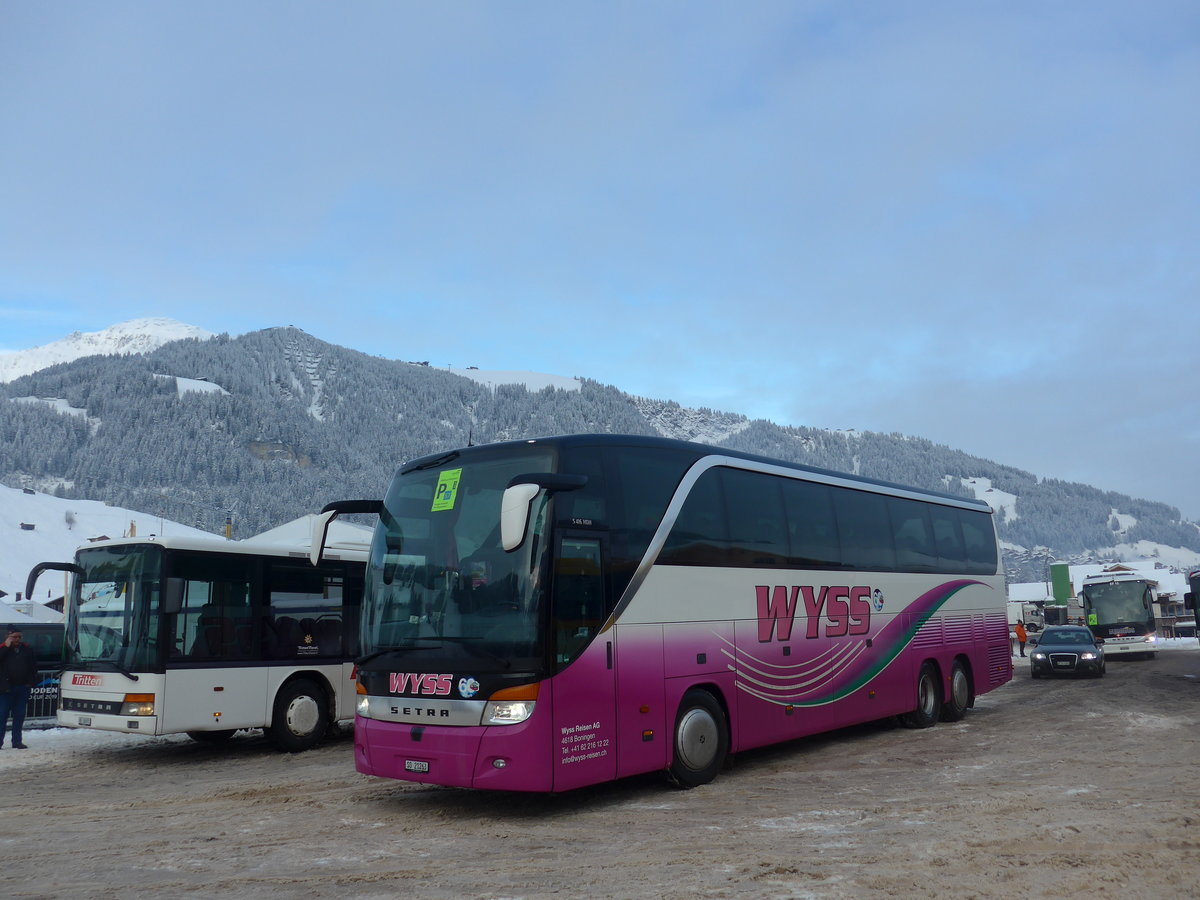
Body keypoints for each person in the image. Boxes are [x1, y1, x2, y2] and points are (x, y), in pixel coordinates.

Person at [0, 627, 39, 749]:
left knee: (19, 716)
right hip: (6, 689)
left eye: (19, 637)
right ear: (8, 637)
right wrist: (6, 646)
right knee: (2, 716)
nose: (17, 639)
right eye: (14, 637)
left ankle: (17, 741)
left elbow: (33, 667)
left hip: (22, 688)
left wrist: (30, 683)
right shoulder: (3, 649)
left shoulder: (26, 649)